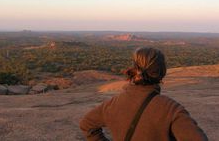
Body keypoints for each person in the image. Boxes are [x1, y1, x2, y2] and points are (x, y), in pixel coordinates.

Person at [79, 47, 208, 141]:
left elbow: (86, 125)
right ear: (161, 73)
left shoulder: (112, 104)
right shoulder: (171, 110)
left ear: (134, 70)